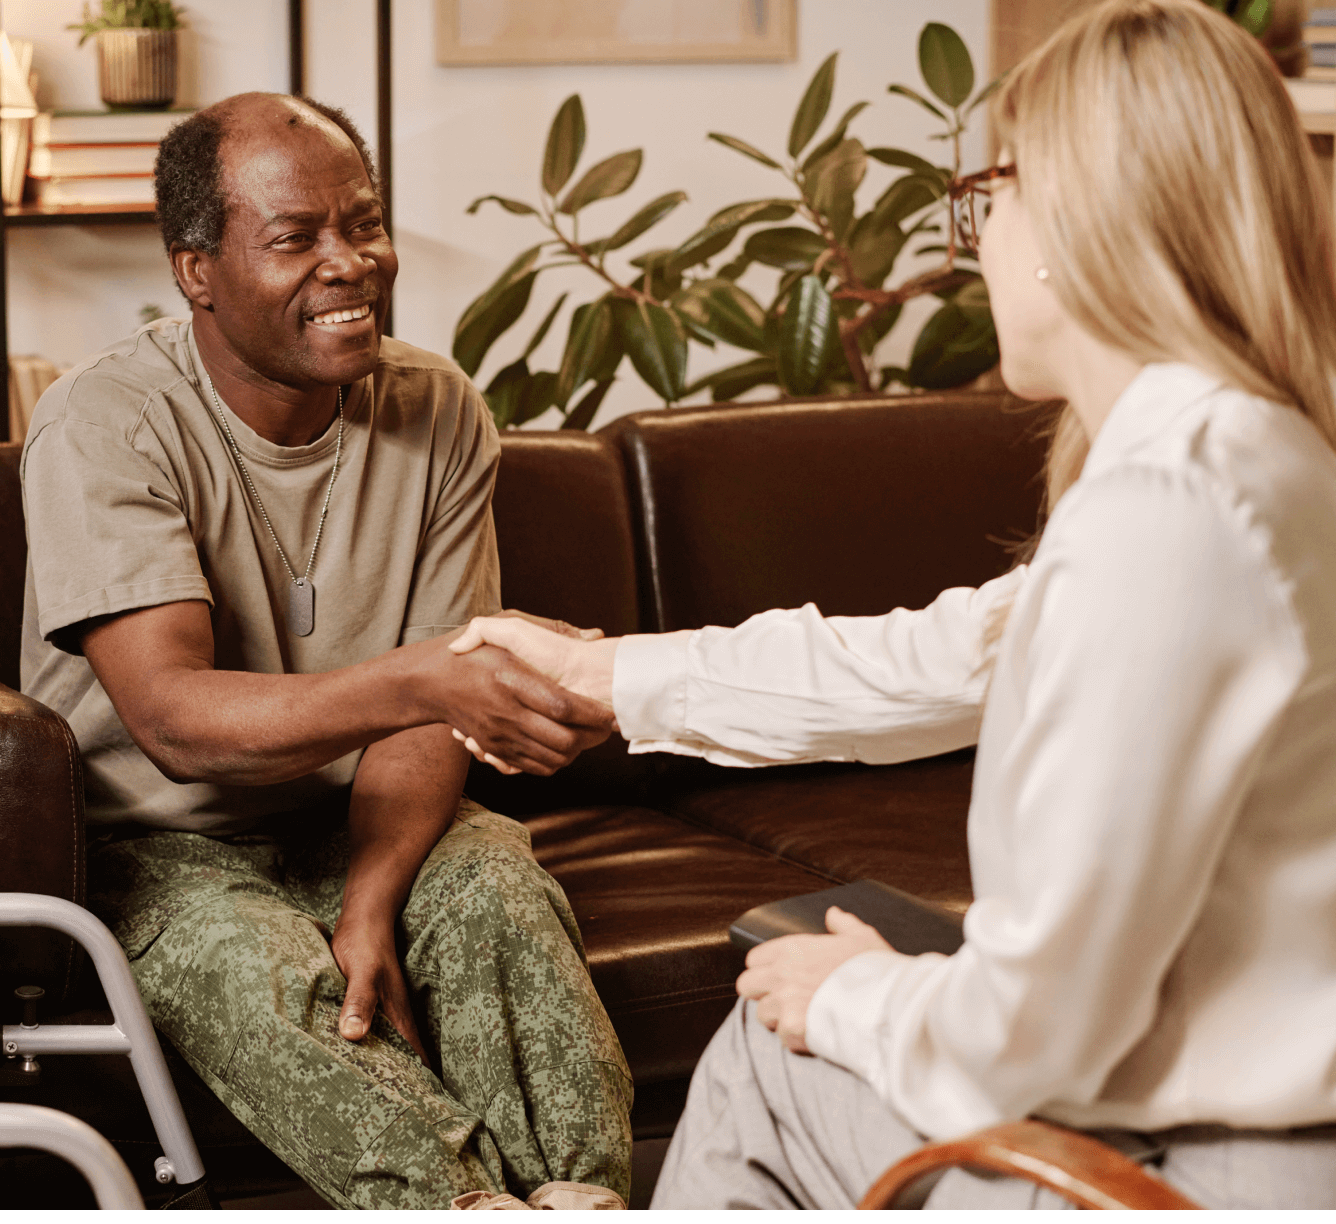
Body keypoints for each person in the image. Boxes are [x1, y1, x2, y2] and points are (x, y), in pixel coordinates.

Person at [445, 0, 1336, 1209]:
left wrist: (857, 995)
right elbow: (939, 658)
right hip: (1232, 1129)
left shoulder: (1170, 513)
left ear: (1070, 217)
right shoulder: (1254, 458)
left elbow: (1037, 1033)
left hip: (1196, 1170)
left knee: (772, 1047)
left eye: (990, 199)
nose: (973, 243)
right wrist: (607, 677)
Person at [19, 93, 631, 1210]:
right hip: (159, 848)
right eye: (296, 238)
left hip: (356, 814)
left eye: (364, 223)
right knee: (256, 972)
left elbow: (426, 718)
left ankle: (581, 1199)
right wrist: (418, 676)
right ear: (195, 269)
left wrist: (371, 890)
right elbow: (174, 721)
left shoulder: (436, 407)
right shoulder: (103, 423)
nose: (351, 264)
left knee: (498, 883)